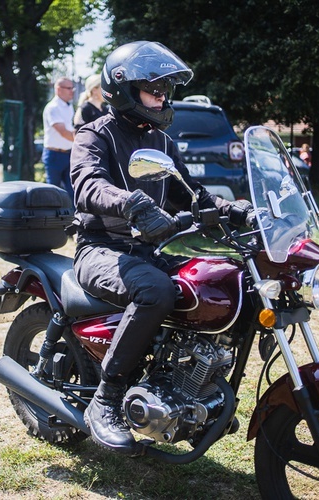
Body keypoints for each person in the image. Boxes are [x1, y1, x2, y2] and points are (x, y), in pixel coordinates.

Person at [69, 41, 255, 455]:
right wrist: (132, 204)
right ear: (124, 87)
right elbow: (87, 184)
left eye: (166, 87)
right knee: (157, 291)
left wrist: (237, 211)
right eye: (154, 86)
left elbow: (190, 194)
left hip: (150, 249)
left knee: (218, 283)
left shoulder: (162, 142)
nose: (163, 94)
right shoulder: (94, 134)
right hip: (102, 247)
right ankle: (107, 398)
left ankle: (191, 387)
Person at [42, 77, 76, 199]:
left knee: (73, 191)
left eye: (72, 88)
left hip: (69, 154)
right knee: (53, 192)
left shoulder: (69, 106)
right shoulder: (53, 107)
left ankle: (73, 218)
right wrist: (83, 141)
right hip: (54, 155)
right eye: (69, 88)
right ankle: (51, 218)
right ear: (58, 89)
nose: (72, 91)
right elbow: (63, 132)